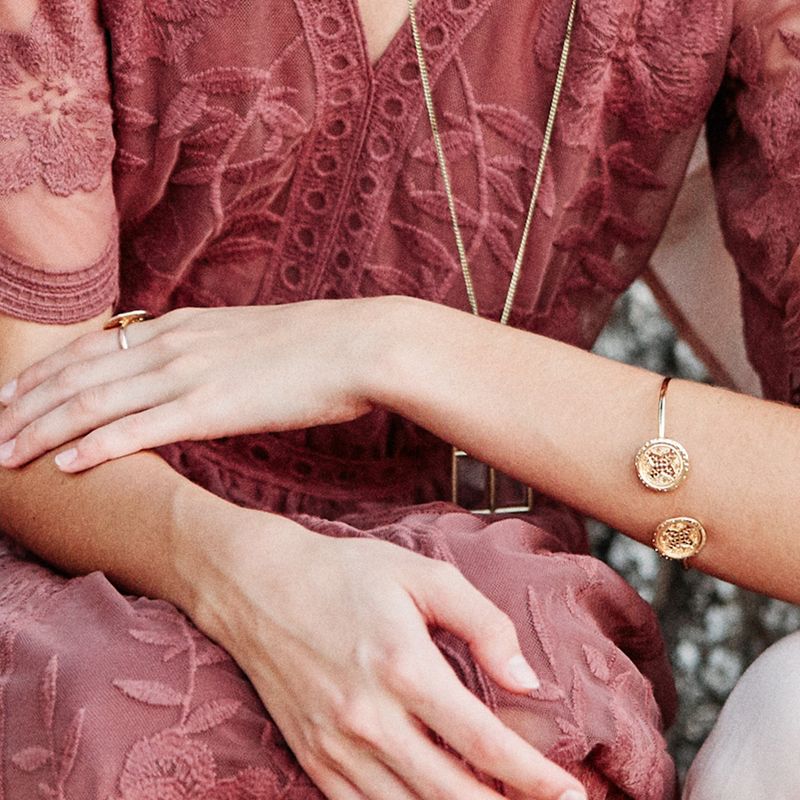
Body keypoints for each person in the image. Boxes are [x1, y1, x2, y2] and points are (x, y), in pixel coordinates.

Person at [0, 0, 797, 798]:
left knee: (516, 698)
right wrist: (242, 574)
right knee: (113, 711)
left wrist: (395, 347)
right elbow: (28, 405)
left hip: (470, 535)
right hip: (95, 515)